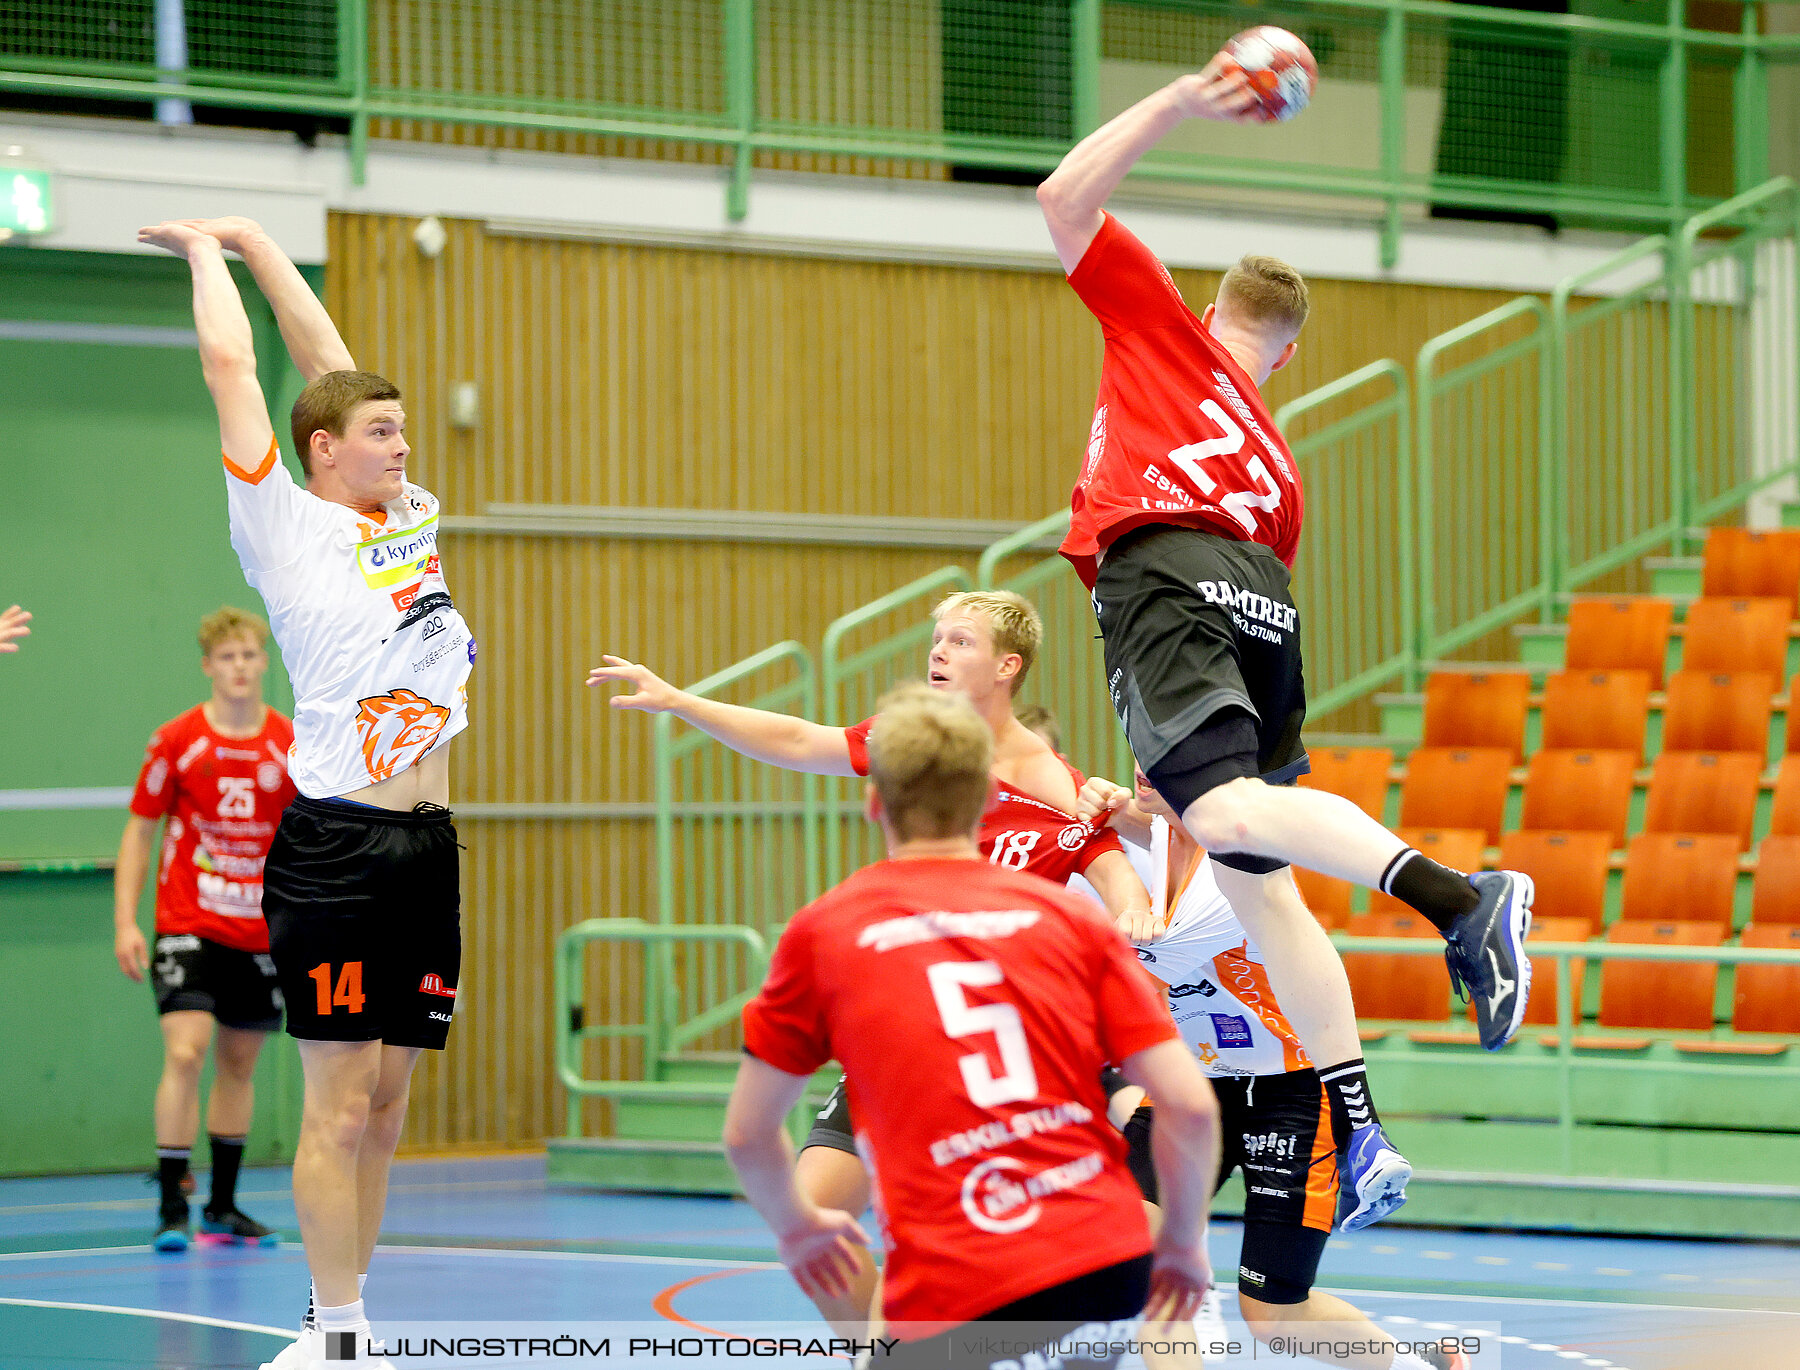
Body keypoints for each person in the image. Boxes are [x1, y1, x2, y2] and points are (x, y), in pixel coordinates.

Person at [1036, 59, 1534, 1225]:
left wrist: (1181, 102)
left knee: (1220, 819)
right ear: (1291, 357)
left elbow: (1064, 199)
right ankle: (1361, 1130)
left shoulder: (1165, 330)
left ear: (1213, 315)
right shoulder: (1279, 460)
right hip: (1266, 589)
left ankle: (1464, 897)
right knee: (1267, 894)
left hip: (1164, 563)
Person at [594, 591, 1159, 1331]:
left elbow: (1119, 861)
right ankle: (887, 1346)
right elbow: (798, 740)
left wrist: (1132, 904)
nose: (939, 652)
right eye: (937, 640)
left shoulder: (1055, 782)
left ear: (1007, 666)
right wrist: (682, 703)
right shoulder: (916, 751)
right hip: (904, 1033)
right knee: (813, 1215)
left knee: (1088, 1240)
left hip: (1003, 1044)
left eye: (960, 641)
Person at [140, 215, 474, 1370]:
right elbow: (240, 367)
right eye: (381, 431)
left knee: (386, 1107)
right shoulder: (280, 524)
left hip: (431, 847)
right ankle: (332, 1336)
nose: (403, 444)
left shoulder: (409, 523)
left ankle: (352, 1317)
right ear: (324, 448)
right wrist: (204, 255)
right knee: (336, 1105)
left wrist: (262, 239)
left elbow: (319, 346)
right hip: (338, 848)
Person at [723, 684, 1222, 1367]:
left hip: (956, 1276)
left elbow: (748, 1135)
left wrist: (799, 1230)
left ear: (875, 803)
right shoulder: (1071, 920)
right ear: (988, 803)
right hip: (1104, 1257)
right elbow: (1190, 1106)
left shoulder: (827, 930)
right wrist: (1185, 1246)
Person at [1099, 774, 1468, 1370]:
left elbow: (1160, 945)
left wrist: (1095, 849)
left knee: (1272, 1314)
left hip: (1292, 1089)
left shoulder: (1240, 868)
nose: (1144, 766)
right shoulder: (1150, 846)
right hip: (1197, 1083)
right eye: (1141, 751)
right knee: (1138, 1250)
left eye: (1164, 756)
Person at [116, 606, 297, 1252]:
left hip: (260, 931)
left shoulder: (289, 744)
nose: (240, 667)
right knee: (187, 1049)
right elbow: (140, 829)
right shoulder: (177, 740)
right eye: (228, 658)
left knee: (240, 1062)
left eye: (250, 655)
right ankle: (172, 1203)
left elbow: (305, 839)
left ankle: (222, 1204)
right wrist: (126, 922)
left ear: (264, 662)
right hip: (188, 921)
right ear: (208, 667)